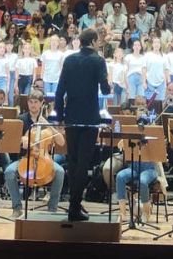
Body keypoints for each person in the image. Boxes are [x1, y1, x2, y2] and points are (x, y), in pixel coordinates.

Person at [54, 27, 110, 221]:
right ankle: (74, 207)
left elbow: (59, 91)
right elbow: (104, 89)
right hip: (89, 119)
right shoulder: (98, 60)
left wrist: (61, 115)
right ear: (93, 41)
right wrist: (105, 79)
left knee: (73, 161)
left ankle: (74, 204)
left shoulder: (69, 60)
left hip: (71, 118)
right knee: (83, 163)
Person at [5, 91, 66, 214]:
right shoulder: (20, 120)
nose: (33, 105)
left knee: (60, 172)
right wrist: (22, 140)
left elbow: (61, 142)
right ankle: (17, 207)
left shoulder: (47, 121)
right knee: (9, 172)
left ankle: (52, 208)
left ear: (41, 103)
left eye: (36, 102)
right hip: (25, 158)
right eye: (31, 102)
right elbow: (13, 140)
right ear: (27, 103)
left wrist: (49, 125)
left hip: (44, 159)